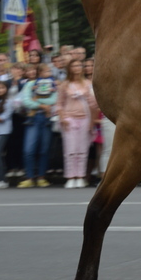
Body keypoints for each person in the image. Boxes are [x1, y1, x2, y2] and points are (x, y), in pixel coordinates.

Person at [57, 59, 99, 188]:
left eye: (78, 65)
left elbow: (93, 104)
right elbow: (59, 104)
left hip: (84, 118)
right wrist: (62, 117)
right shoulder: (64, 85)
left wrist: (92, 121)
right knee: (70, 150)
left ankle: (80, 176)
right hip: (69, 119)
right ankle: (70, 177)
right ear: (69, 68)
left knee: (82, 150)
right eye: (74, 65)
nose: (77, 68)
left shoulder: (87, 84)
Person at [17, 63, 58, 188]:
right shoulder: (30, 84)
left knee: (44, 150)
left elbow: (53, 100)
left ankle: (41, 177)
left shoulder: (53, 84)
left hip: (46, 118)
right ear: (40, 72)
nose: (49, 72)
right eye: (46, 70)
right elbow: (26, 102)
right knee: (28, 149)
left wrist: (37, 100)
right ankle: (29, 177)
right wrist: (42, 105)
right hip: (33, 118)